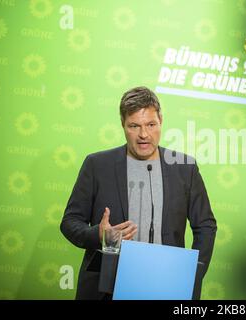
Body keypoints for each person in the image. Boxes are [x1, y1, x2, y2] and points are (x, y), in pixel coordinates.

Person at [60, 86, 217, 300]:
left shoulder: (185, 167)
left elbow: (206, 226)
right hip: (107, 289)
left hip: (167, 286)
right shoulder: (97, 165)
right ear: (123, 125)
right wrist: (98, 234)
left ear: (161, 120)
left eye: (151, 124)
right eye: (134, 126)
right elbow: (70, 222)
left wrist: (192, 275)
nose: (144, 135)